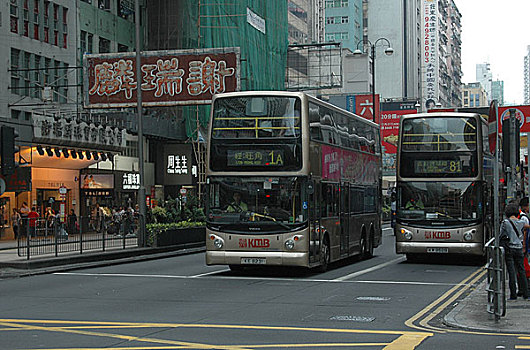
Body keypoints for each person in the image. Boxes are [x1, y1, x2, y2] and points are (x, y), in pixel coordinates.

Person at [500, 203, 529, 300]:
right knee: (522, 271)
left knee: (511, 272)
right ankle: (526, 293)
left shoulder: (505, 222)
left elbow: (501, 235)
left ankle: (513, 295)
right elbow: (526, 227)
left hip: (509, 249)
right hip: (519, 248)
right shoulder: (521, 222)